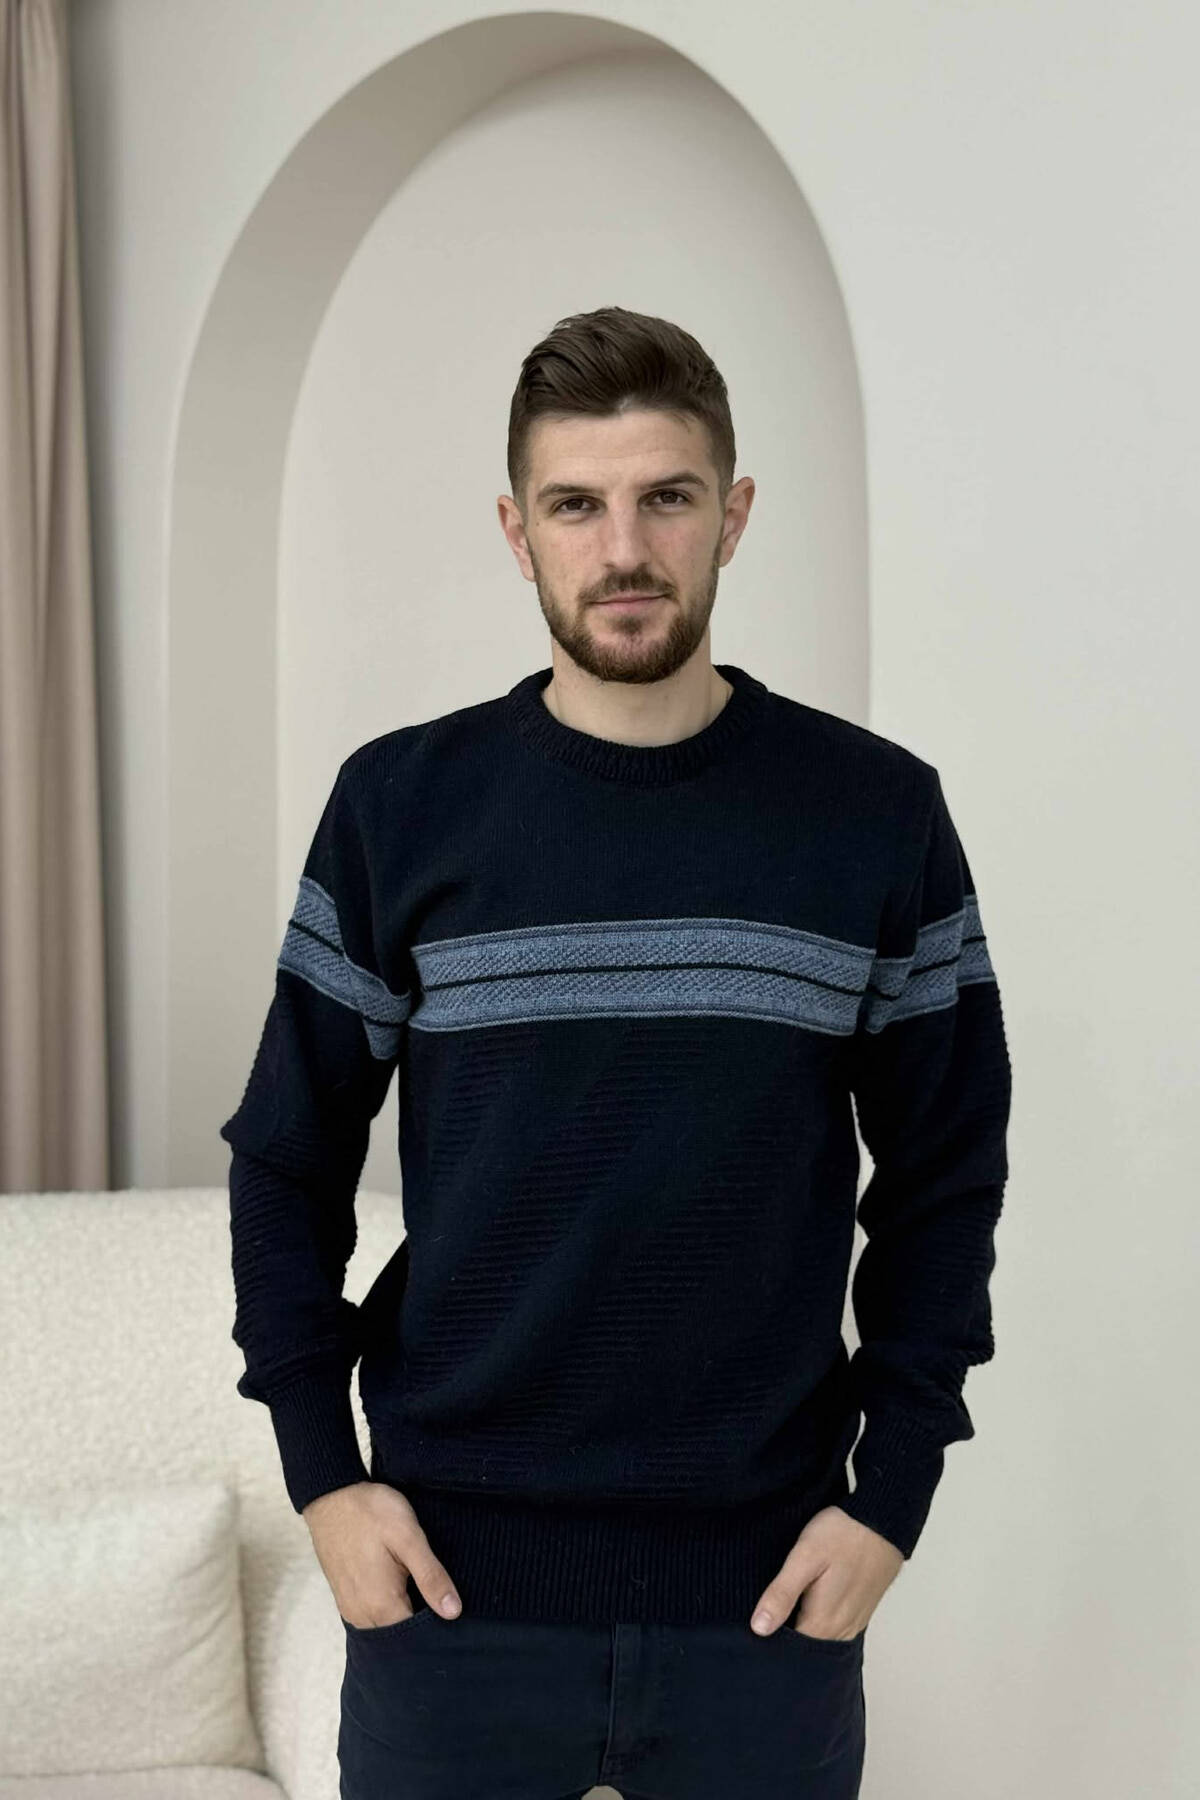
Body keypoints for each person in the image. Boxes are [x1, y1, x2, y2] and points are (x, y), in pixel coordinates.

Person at [219, 306, 1012, 1800]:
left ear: (736, 515)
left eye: (669, 497)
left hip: (765, 1601)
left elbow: (946, 1171)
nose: (624, 549)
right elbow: (285, 1158)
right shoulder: (399, 808)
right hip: (447, 1594)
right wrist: (324, 1479)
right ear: (517, 531)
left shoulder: (875, 814)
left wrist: (892, 1495)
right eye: (577, 505)